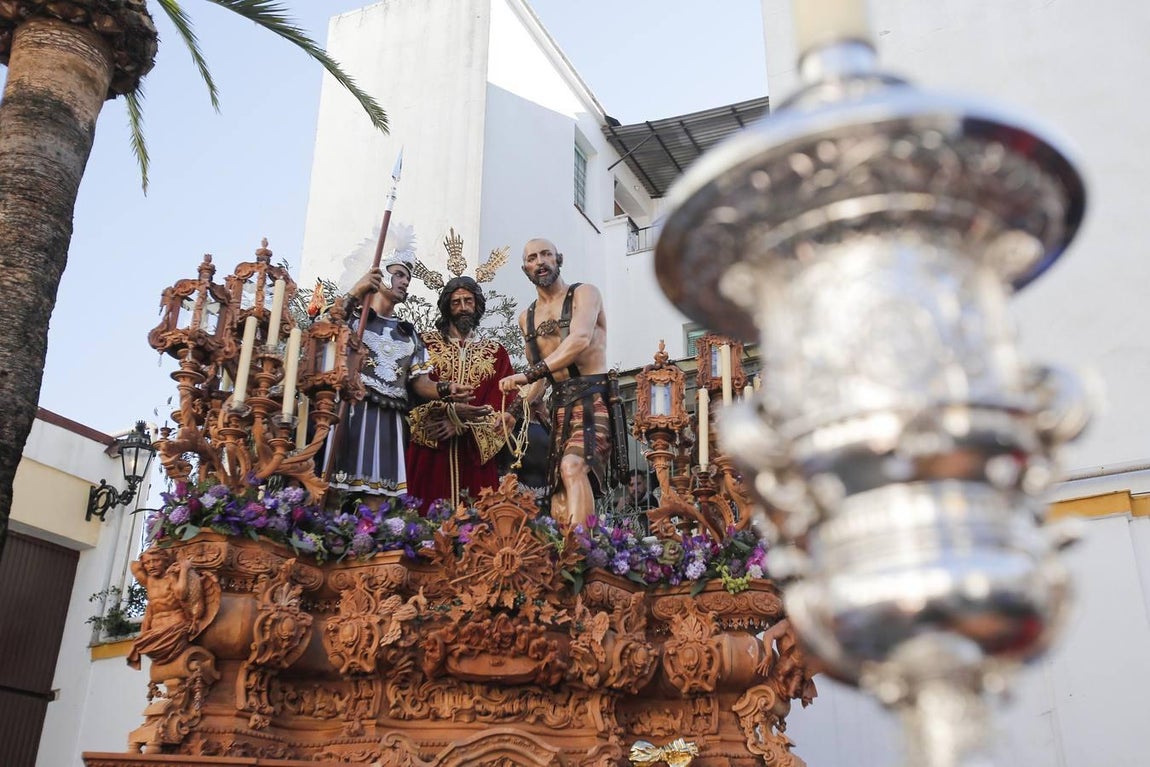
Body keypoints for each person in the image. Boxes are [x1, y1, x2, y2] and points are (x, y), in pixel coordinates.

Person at [498, 238, 628, 526]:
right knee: (559, 497)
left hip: (593, 398)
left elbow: (579, 340)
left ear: (559, 259)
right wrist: (513, 412)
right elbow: (540, 381)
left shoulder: (585, 293)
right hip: (558, 409)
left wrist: (529, 374)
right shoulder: (526, 317)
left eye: (546, 254)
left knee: (573, 467)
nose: (540, 261)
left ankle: (581, 553)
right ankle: (570, 554)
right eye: (533, 257)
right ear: (525, 268)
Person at [325, 249, 473, 498]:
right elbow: (324, 330)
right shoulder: (351, 320)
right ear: (378, 275)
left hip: (390, 419)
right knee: (332, 490)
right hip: (352, 412)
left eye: (408, 278)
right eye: (399, 275)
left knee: (379, 496)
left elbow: (420, 382)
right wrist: (355, 292)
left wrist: (446, 389)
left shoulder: (408, 333)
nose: (405, 282)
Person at [407, 276, 516, 511]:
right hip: (432, 448)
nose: (463, 307)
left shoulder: (496, 353)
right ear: (447, 306)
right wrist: (447, 414)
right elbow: (410, 393)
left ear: (477, 305)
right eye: (456, 302)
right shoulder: (425, 344)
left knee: (478, 525)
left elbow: (504, 406)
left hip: (474, 455)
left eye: (468, 301)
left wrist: (463, 423)